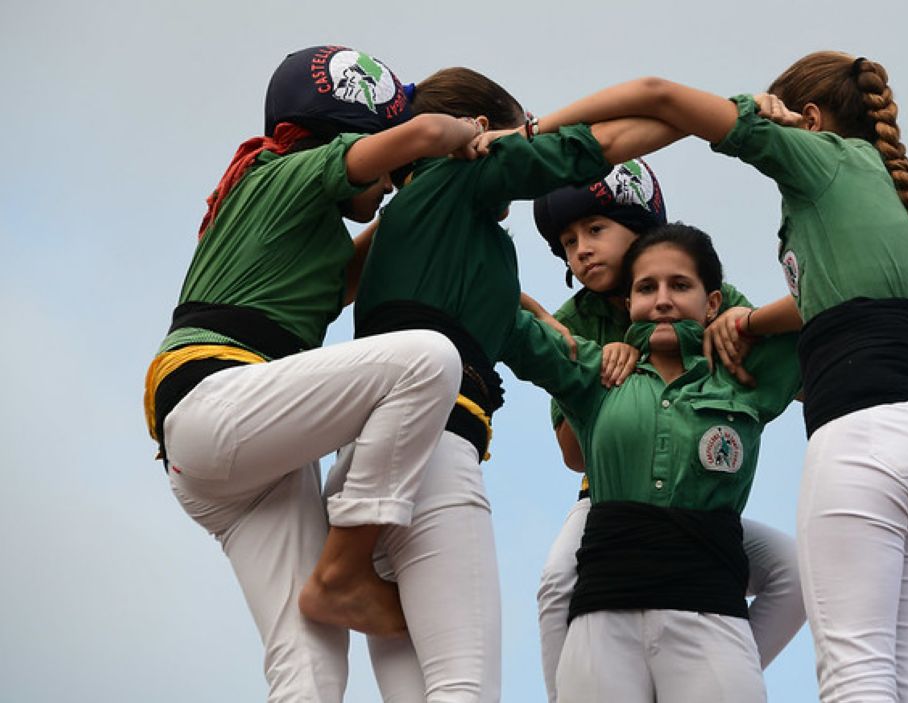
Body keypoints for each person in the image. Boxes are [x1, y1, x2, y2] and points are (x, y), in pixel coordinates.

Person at [530, 54, 908, 702]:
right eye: (568, 241)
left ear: (809, 121)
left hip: (864, 439)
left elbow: (658, 93)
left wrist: (531, 136)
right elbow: (834, 298)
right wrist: (737, 326)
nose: (581, 248)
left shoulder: (818, 163)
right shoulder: (905, 197)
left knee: (856, 673)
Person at [141, 45, 487, 702]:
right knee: (428, 359)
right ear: (343, 140)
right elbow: (419, 135)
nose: (390, 181)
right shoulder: (288, 170)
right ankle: (349, 564)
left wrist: (432, 196)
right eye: (383, 163)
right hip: (219, 400)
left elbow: (375, 252)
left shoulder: (302, 225)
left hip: (233, 450)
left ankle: (342, 576)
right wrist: (467, 134)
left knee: (310, 670)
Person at [336, 67, 688, 703]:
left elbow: (537, 348)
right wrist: (715, 117)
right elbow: (596, 145)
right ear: (479, 133)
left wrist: (607, 361)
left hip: (362, 466)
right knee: (464, 685)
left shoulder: (426, 233)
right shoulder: (460, 173)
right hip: (432, 450)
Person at [526, 160, 805, 702]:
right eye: (568, 242)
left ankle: (706, 673)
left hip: (697, 507)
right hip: (611, 503)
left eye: (595, 229)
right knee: (558, 581)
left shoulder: (714, 299)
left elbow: (782, 378)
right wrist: (594, 370)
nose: (582, 250)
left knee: (795, 569)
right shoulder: (575, 319)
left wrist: (747, 326)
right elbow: (574, 457)